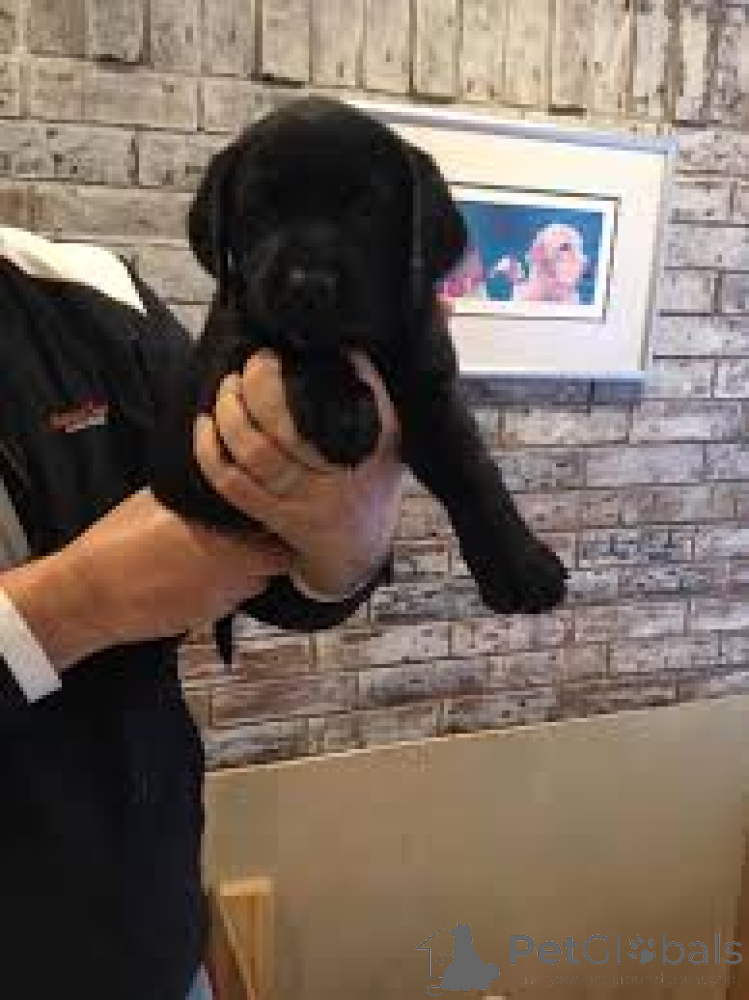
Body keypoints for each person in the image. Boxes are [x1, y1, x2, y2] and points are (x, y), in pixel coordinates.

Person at [0, 225, 405, 999]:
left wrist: (348, 540)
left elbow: (263, 558)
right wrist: (70, 606)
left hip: (145, 943)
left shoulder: (89, 295)